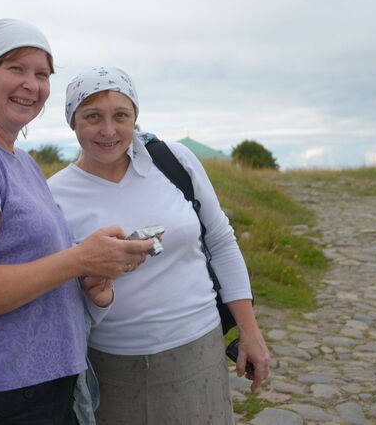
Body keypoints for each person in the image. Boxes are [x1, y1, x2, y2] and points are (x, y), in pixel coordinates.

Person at [0, 22, 154, 424]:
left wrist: (89, 276)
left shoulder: (18, 160)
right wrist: (79, 259)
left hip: (40, 389)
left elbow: (31, 267)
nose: (31, 84)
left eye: (41, 74)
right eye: (15, 68)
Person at [47, 67, 271, 424]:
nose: (108, 130)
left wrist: (250, 332)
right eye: (92, 117)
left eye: (121, 116)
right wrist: (95, 283)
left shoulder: (173, 161)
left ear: (135, 118)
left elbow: (222, 241)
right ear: (72, 122)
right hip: (112, 364)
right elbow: (56, 289)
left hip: (199, 348)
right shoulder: (54, 195)